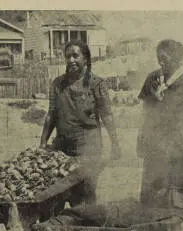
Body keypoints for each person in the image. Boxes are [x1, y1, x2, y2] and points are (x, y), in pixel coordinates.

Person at [39, 40, 121, 212]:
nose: (71, 60)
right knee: (55, 191)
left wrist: (115, 144)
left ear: (86, 59)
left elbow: (107, 115)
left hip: (88, 147)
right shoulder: (58, 84)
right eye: (67, 56)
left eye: (75, 56)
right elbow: (51, 114)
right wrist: (42, 144)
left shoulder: (96, 84)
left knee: (85, 192)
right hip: (62, 147)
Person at [137, 39, 183, 208]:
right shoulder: (152, 78)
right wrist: (142, 138)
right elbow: (145, 111)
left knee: (178, 190)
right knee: (153, 188)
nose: (161, 61)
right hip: (155, 142)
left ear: (178, 58)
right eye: (159, 57)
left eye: (166, 58)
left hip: (178, 142)